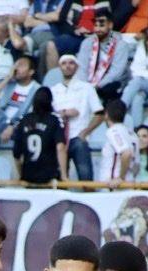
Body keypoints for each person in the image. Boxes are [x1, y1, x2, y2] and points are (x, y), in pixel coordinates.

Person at [51, 52, 102, 180]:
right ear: (60, 67)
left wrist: (85, 132)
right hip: (59, 139)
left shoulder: (87, 88)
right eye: (64, 63)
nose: (67, 66)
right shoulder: (53, 90)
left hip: (78, 137)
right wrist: (63, 113)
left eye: (71, 63)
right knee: (59, 179)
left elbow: (100, 113)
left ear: (77, 67)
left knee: (85, 177)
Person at [13, 86, 68, 182]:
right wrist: (64, 175)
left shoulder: (24, 120)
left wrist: (21, 174)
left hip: (28, 175)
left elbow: (16, 152)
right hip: (49, 175)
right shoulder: (54, 120)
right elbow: (60, 147)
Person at [77, 10, 131, 101]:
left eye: (101, 25)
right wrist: (87, 86)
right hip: (88, 85)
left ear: (110, 25)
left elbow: (116, 73)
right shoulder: (87, 43)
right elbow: (81, 68)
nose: (98, 29)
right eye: (96, 25)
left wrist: (97, 86)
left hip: (112, 84)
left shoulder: (121, 45)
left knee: (108, 89)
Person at [0, 55, 39, 142]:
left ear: (31, 71)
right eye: (16, 65)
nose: (16, 68)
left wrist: (12, 126)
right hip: (1, 123)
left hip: (22, 128)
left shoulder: (37, 89)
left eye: (21, 65)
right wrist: (7, 78)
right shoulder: (9, 85)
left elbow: (31, 114)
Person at [97, 98, 138, 185]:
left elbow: (126, 153)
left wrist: (121, 178)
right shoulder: (132, 134)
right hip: (129, 183)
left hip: (113, 185)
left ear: (106, 115)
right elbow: (136, 165)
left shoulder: (113, 131)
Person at [0, 16, 30, 89]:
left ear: (7, 32)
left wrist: (10, 26)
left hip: (10, 83)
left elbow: (18, 44)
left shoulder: (13, 43)